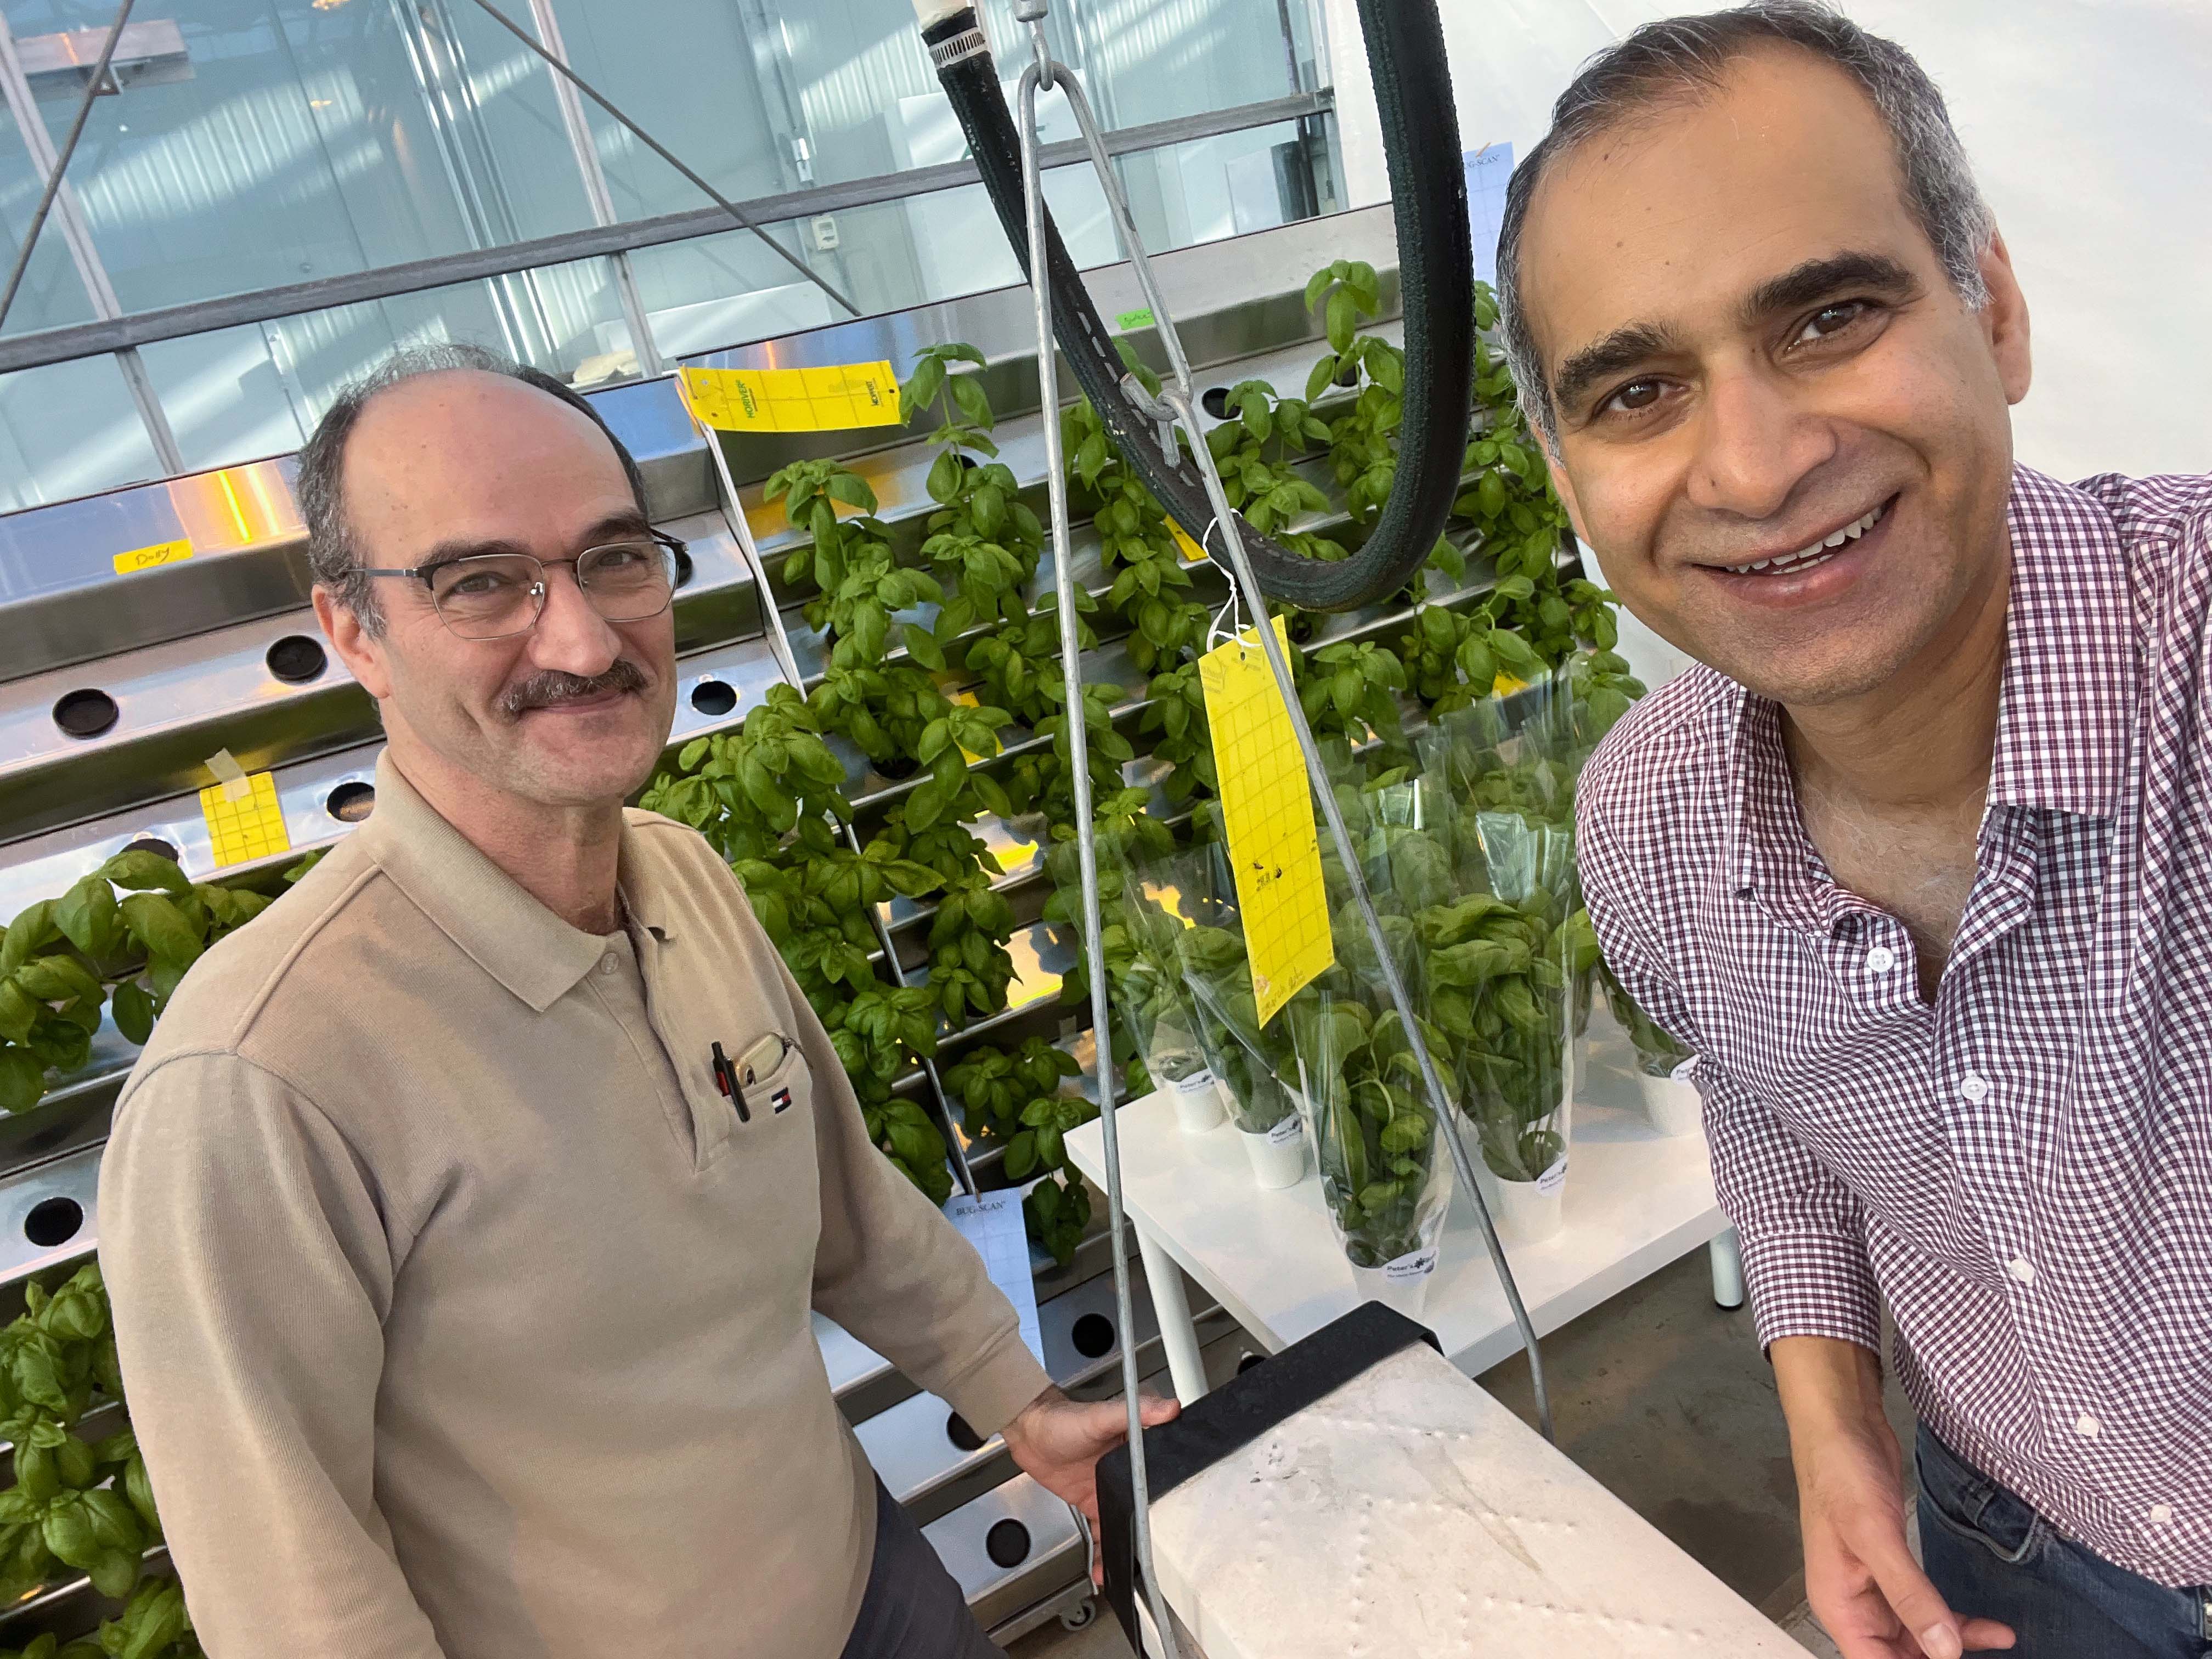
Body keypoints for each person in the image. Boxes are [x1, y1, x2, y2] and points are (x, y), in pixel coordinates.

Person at [98, 343, 1172, 1658]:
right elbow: (294, 1598)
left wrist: (1020, 1401)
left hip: (874, 1592)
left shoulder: (681, 873)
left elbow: (844, 1206)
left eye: (614, 556)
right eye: (481, 580)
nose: (584, 637)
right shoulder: (258, 1078)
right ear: (351, 632)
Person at [1496, 4, 2212, 1657]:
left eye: (1828, 316)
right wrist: (1832, 1432)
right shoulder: (1648, 824)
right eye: (1639, 390)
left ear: (1999, 311)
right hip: (2014, 1552)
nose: (1752, 463)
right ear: (1565, 473)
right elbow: (1771, 1099)